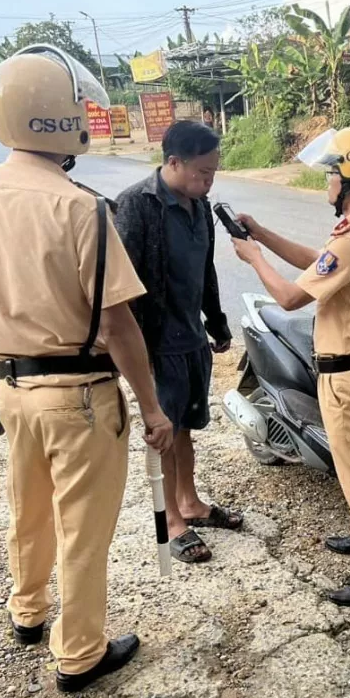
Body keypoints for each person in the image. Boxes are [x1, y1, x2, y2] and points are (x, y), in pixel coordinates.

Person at [0, 44, 174, 693]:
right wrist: (151, 408)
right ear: (64, 118)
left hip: (10, 388)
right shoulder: (81, 207)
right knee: (83, 530)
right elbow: (119, 325)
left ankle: (28, 611)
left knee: (29, 510)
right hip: (82, 395)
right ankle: (79, 653)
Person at [231, 126, 350, 609]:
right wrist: (263, 232)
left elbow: (288, 297)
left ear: (349, 181)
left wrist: (254, 257)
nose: (326, 182)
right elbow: (318, 264)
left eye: (331, 174)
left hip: (347, 377)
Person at [115, 120, 240, 565]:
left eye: (214, 172)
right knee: (163, 433)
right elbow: (121, 285)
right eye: (203, 172)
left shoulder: (198, 205)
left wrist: (218, 321)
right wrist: (134, 353)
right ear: (173, 162)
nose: (209, 181)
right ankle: (167, 522)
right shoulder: (136, 204)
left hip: (191, 340)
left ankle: (188, 502)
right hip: (157, 343)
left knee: (186, 427)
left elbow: (205, 270)